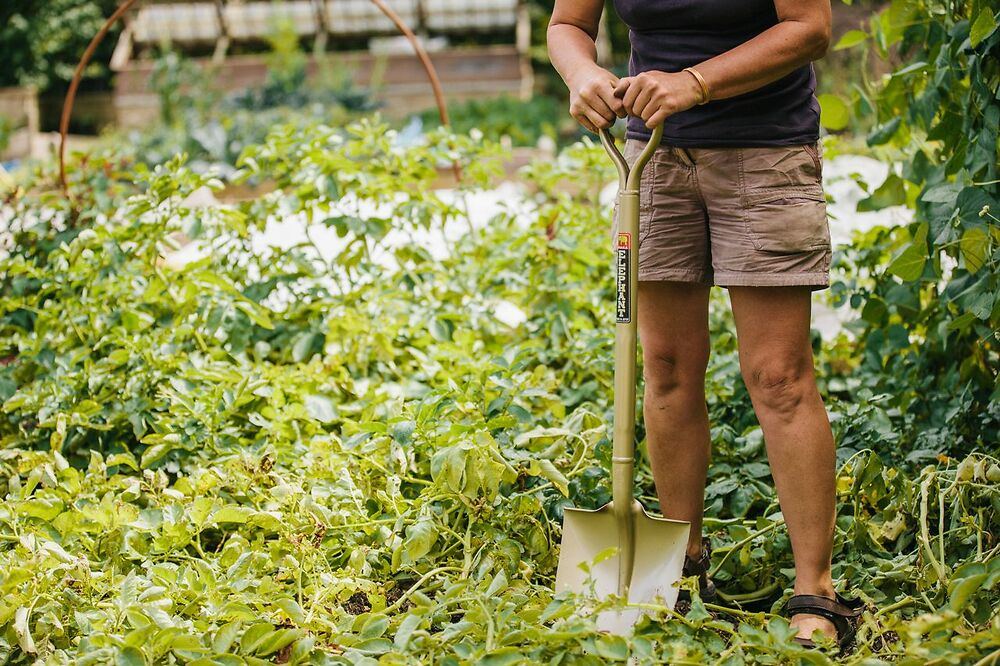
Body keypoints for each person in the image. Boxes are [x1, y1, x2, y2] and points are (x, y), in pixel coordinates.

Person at [547, 0, 860, 649]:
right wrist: (582, 76)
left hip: (765, 153)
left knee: (779, 376)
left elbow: (811, 27)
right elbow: (567, 25)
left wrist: (693, 82)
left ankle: (816, 590)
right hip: (653, 158)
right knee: (664, 368)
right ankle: (681, 562)